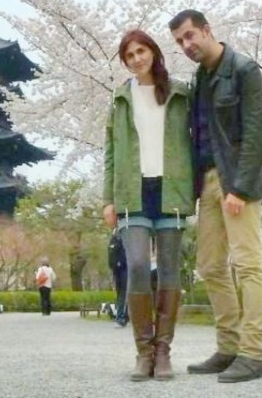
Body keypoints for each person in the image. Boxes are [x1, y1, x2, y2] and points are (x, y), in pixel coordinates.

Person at [170, 9, 262, 384]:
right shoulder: (200, 78)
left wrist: (239, 189)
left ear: (207, 30)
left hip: (237, 181)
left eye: (190, 35)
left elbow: (258, 133)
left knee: (247, 264)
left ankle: (253, 353)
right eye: (180, 41)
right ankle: (228, 347)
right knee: (211, 265)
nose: (186, 45)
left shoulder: (243, 70)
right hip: (208, 181)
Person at [103, 29, 194, 381]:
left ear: (153, 52)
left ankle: (163, 352)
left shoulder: (180, 94)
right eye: (129, 56)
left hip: (170, 192)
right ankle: (143, 352)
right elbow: (110, 152)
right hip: (133, 194)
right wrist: (108, 199)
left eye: (141, 51)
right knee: (138, 265)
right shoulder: (120, 99)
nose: (137, 59)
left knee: (170, 270)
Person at [107, 228, 129, 327]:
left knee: (121, 293)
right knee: (124, 294)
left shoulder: (113, 240)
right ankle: (121, 316)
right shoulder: (122, 240)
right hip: (124, 269)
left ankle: (122, 316)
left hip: (117, 270)